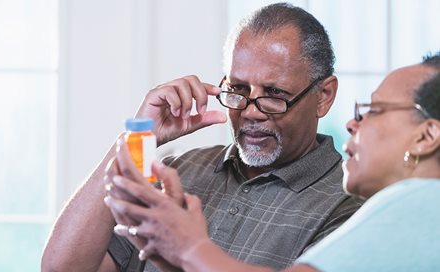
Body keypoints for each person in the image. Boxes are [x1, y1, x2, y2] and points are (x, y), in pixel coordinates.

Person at [41, 3, 362, 271]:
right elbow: (62, 268)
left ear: (324, 96)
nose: (251, 111)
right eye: (237, 89)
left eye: (274, 94)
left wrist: (185, 251)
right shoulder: (176, 172)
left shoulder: (350, 206)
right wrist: (137, 135)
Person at [107, 52, 440, 271]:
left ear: (427, 136)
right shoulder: (187, 164)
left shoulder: (421, 202)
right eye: (237, 88)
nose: (354, 123)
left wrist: (188, 248)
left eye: (374, 111)